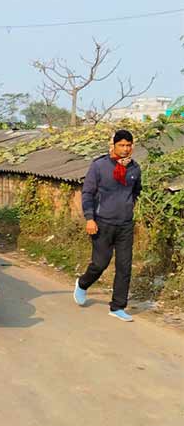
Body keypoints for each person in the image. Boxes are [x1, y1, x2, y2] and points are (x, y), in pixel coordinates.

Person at [74, 129, 142, 322]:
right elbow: (87, 193)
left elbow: (136, 192)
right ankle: (83, 283)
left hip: (125, 225)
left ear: (132, 146)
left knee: (124, 266)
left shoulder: (135, 169)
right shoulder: (99, 166)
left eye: (128, 145)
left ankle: (117, 306)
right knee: (100, 263)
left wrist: (127, 208)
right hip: (101, 223)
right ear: (113, 145)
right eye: (121, 145)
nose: (125, 149)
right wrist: (89, 218)